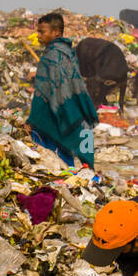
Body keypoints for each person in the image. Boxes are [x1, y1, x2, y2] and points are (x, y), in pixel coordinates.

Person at [27, 12, 97, 169]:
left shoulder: (51, 56)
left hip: (53, 117)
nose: (38, 36)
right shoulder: (68, 53)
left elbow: (42, 94)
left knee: (49, 158)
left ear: (56, 32)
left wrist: (32, 120)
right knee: (64, 156)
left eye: (42, 32)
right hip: (69, 111)